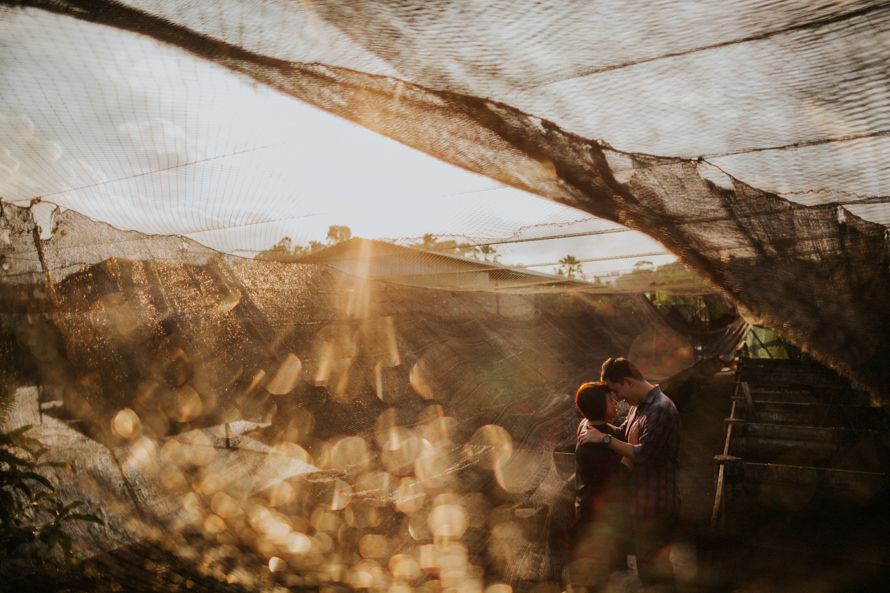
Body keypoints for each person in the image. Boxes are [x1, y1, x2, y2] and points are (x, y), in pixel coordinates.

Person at [579, 358, 681, 592]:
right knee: (647, 565)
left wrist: (604, 438)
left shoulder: (661, 409)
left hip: (656, 504)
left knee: (655, 568)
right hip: (642, 502)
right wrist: (593, 426)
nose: (618, 399)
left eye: (617, 391)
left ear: (628, 382)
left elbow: (643, 453)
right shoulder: (639, 406)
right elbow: (625, 433)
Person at [569, 382, 632, 593]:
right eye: (610, 400)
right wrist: (631, 455)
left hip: (590, 514)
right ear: (598, 407)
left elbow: (614, 433)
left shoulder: (591, 427)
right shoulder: (594, 445)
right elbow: (617, 480)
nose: (615, 402)